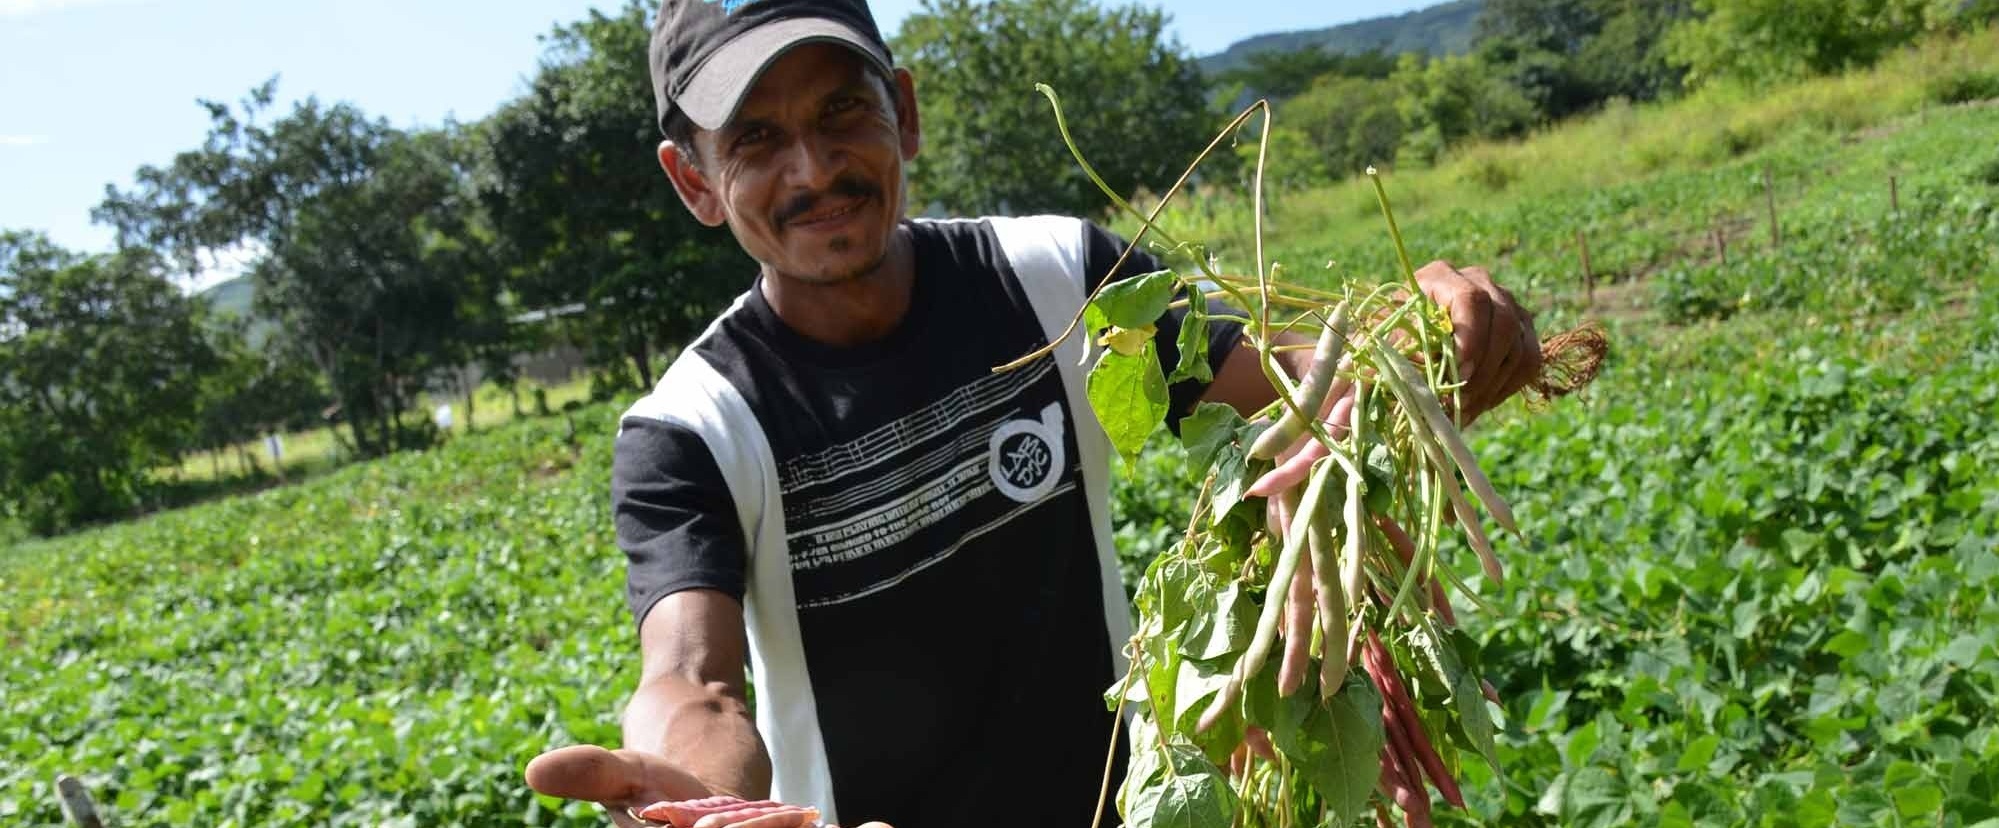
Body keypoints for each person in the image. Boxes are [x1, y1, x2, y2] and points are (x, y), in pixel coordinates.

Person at [523, 1, 1542, 826]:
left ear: (904, 112)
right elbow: (692, 678)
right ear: (695, 180)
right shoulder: (693, 426)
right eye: (755, 138)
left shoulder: (1058, 276)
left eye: (841, 113)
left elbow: (1281, 379)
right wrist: (703, 796)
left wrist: (1420, 351)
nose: (813, 170)